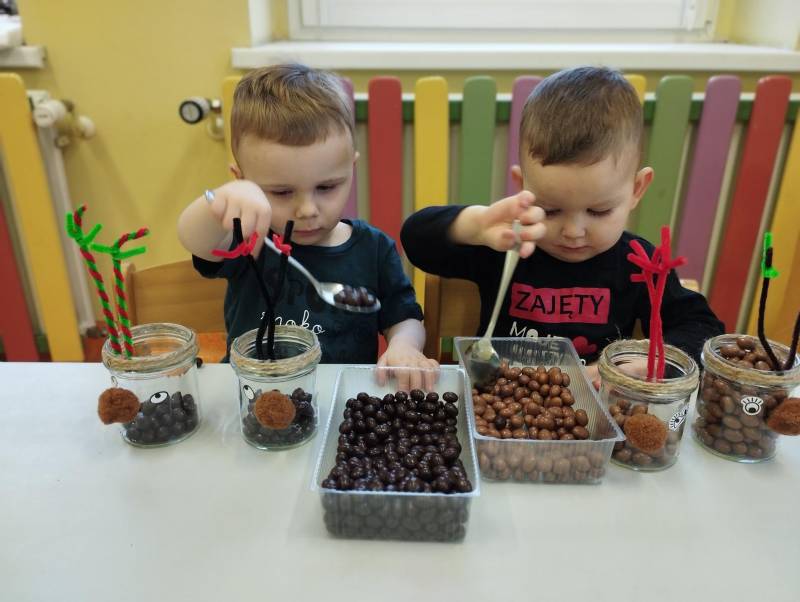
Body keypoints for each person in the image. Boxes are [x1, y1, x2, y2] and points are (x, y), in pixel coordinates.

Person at [401, 66, 723, 385]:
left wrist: (649, 361)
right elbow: (415, 240)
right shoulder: (508, 246)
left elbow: (702, 328)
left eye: (598, 211)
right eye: (550, 209)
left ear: (637, 189)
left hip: (592, 414)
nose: (573, 231)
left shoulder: (638, 263)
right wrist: (476, 225)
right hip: (498, 406)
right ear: (522, 187)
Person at [178, 63, 437, 389]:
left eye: (327, 187)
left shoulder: (374, 249)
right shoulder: (248, 238)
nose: (307, 210)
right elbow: (194, 237)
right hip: (251, 396)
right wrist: (219, 201)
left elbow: (403, 317)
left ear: (351, 170)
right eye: (282, 192)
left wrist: (404, 345)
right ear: (242, 180)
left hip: (343, 402)